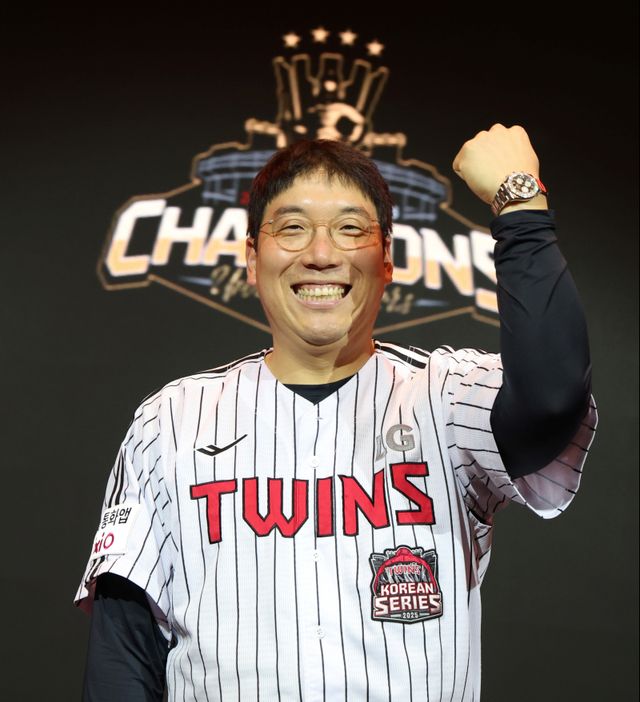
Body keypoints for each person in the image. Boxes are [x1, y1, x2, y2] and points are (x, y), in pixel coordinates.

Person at [75, 124, 597, 701]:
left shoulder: (444, 397)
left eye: (350, 229)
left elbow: (553, 398)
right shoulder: (171, 421)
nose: (321, 255)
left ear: (387, 259)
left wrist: (520, 204)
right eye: (292, 228)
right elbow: (124, 651)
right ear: (252, 258)